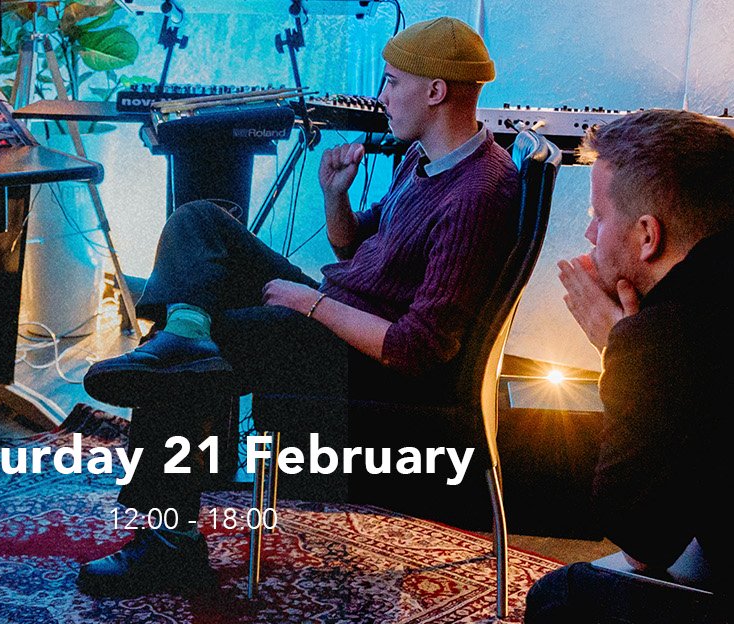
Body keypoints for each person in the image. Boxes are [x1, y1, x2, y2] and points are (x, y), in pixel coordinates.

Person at [76, 17, 520, 597]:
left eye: (392, 82)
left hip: (366, 359)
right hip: (338, 313)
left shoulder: (477, 195)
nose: (382, 96)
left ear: (436, 91)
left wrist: (310, 304)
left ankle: (170, 541)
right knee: (201, 220)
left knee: (185, 361)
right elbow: (356, 247)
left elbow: (417, 348)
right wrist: (334, 195)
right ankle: (182, 338)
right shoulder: (424, 159)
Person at [523, 109, 728, 622]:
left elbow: (642, 539)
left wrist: (620, 349)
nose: (590, 233)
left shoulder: (670, 334)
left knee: (559, 598)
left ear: (647, 235)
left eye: (598, 214)